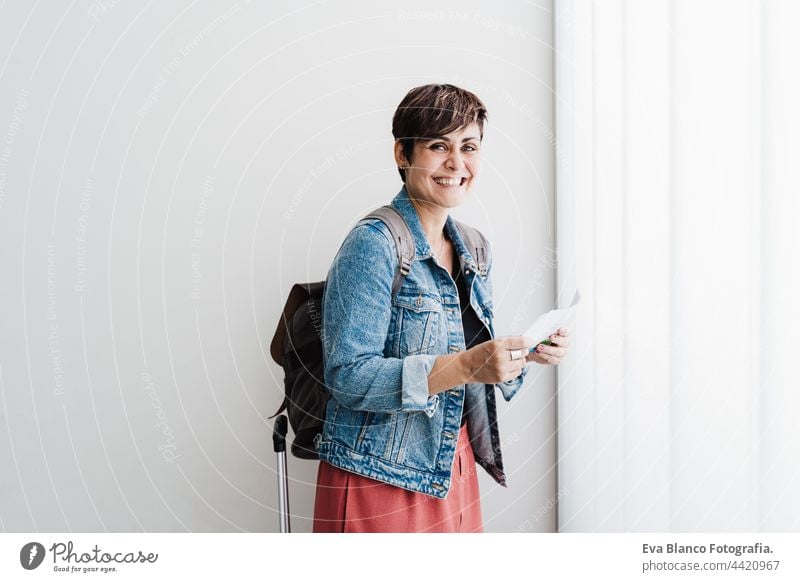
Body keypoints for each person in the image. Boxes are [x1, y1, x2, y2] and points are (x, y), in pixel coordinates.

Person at [312, 84, 570, 533]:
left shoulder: (473, 246)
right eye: (438, 146)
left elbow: (463, 352)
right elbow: (348, 377)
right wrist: (468, 366)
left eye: (468, 147)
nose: (456, 163)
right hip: (378, 475)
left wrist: (522, 353)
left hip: (452, 467)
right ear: (402, 153)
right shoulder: (372, 246)